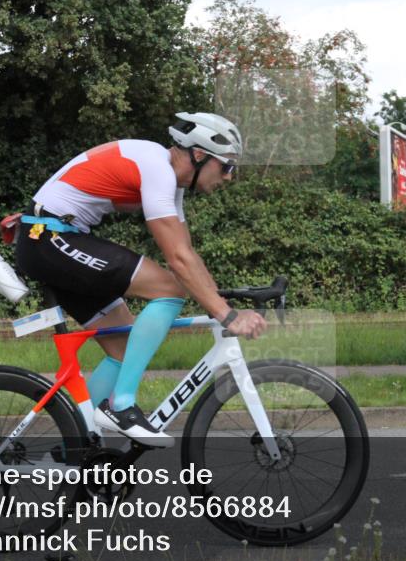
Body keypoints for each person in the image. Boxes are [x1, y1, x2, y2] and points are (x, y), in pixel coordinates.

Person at [15, 112, 267, 447]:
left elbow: (187, 254)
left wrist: (219, 300)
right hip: (49, 238)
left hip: (54, 240)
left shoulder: (168, 180)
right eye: (227, 166)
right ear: (199, 154)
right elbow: (177, 263)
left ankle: (76, 448)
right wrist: (227, 315)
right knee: (169, 289)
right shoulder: (158, 170)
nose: (230, 177)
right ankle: (121, 407)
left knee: (122, 348)